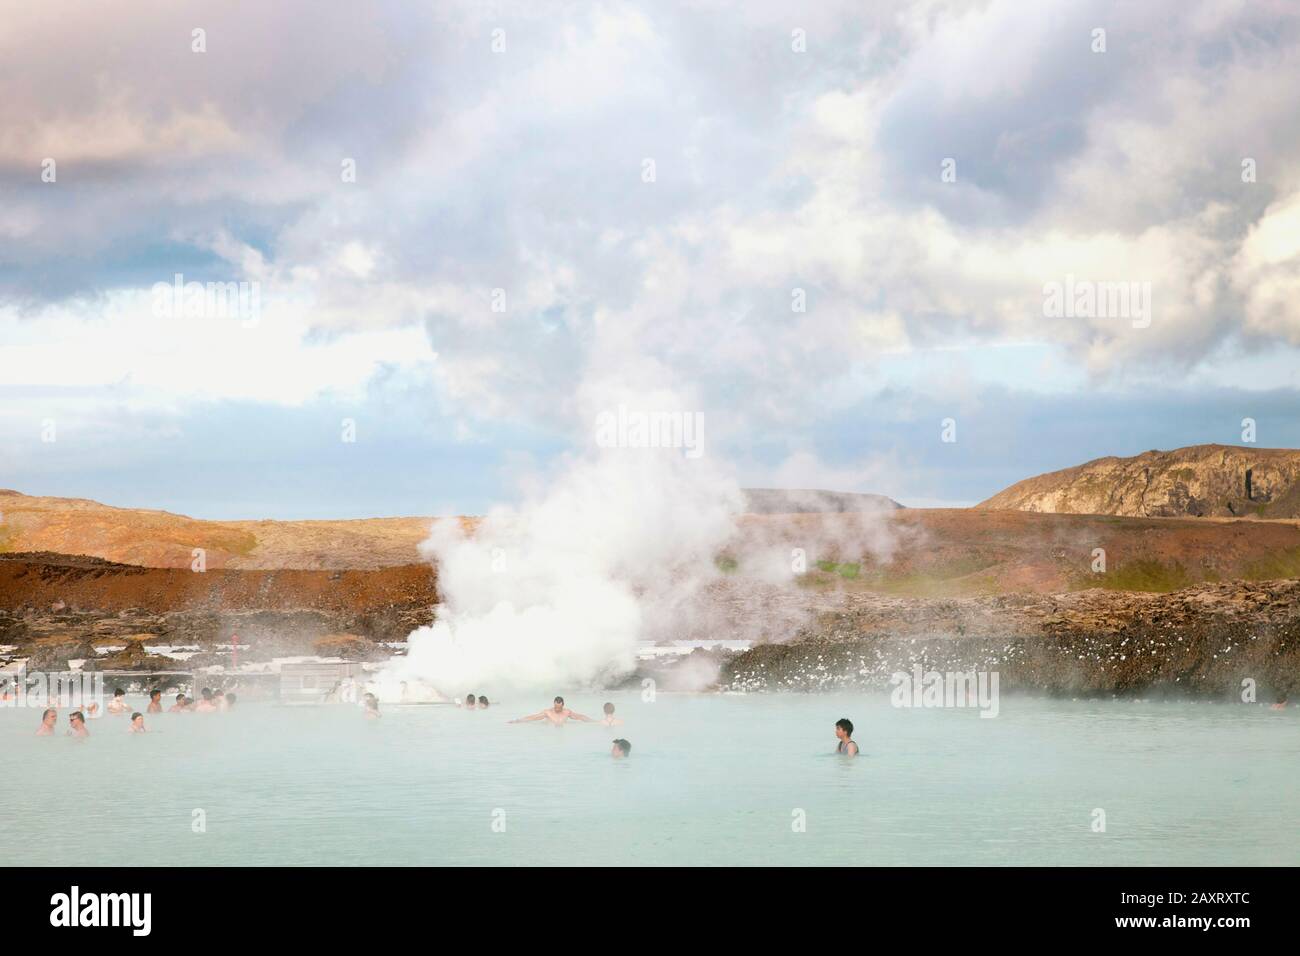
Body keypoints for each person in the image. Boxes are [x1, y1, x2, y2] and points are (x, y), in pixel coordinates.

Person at [510, 696, 593, 725]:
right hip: (550, 733)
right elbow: (533, 717)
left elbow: (580, 717)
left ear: (563, 705)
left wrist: (593, 722)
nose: (557, 709)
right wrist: (518, 720)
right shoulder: (548, 712)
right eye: (555, 707)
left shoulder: (567, 712)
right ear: (553, 704)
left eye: (559, 707)